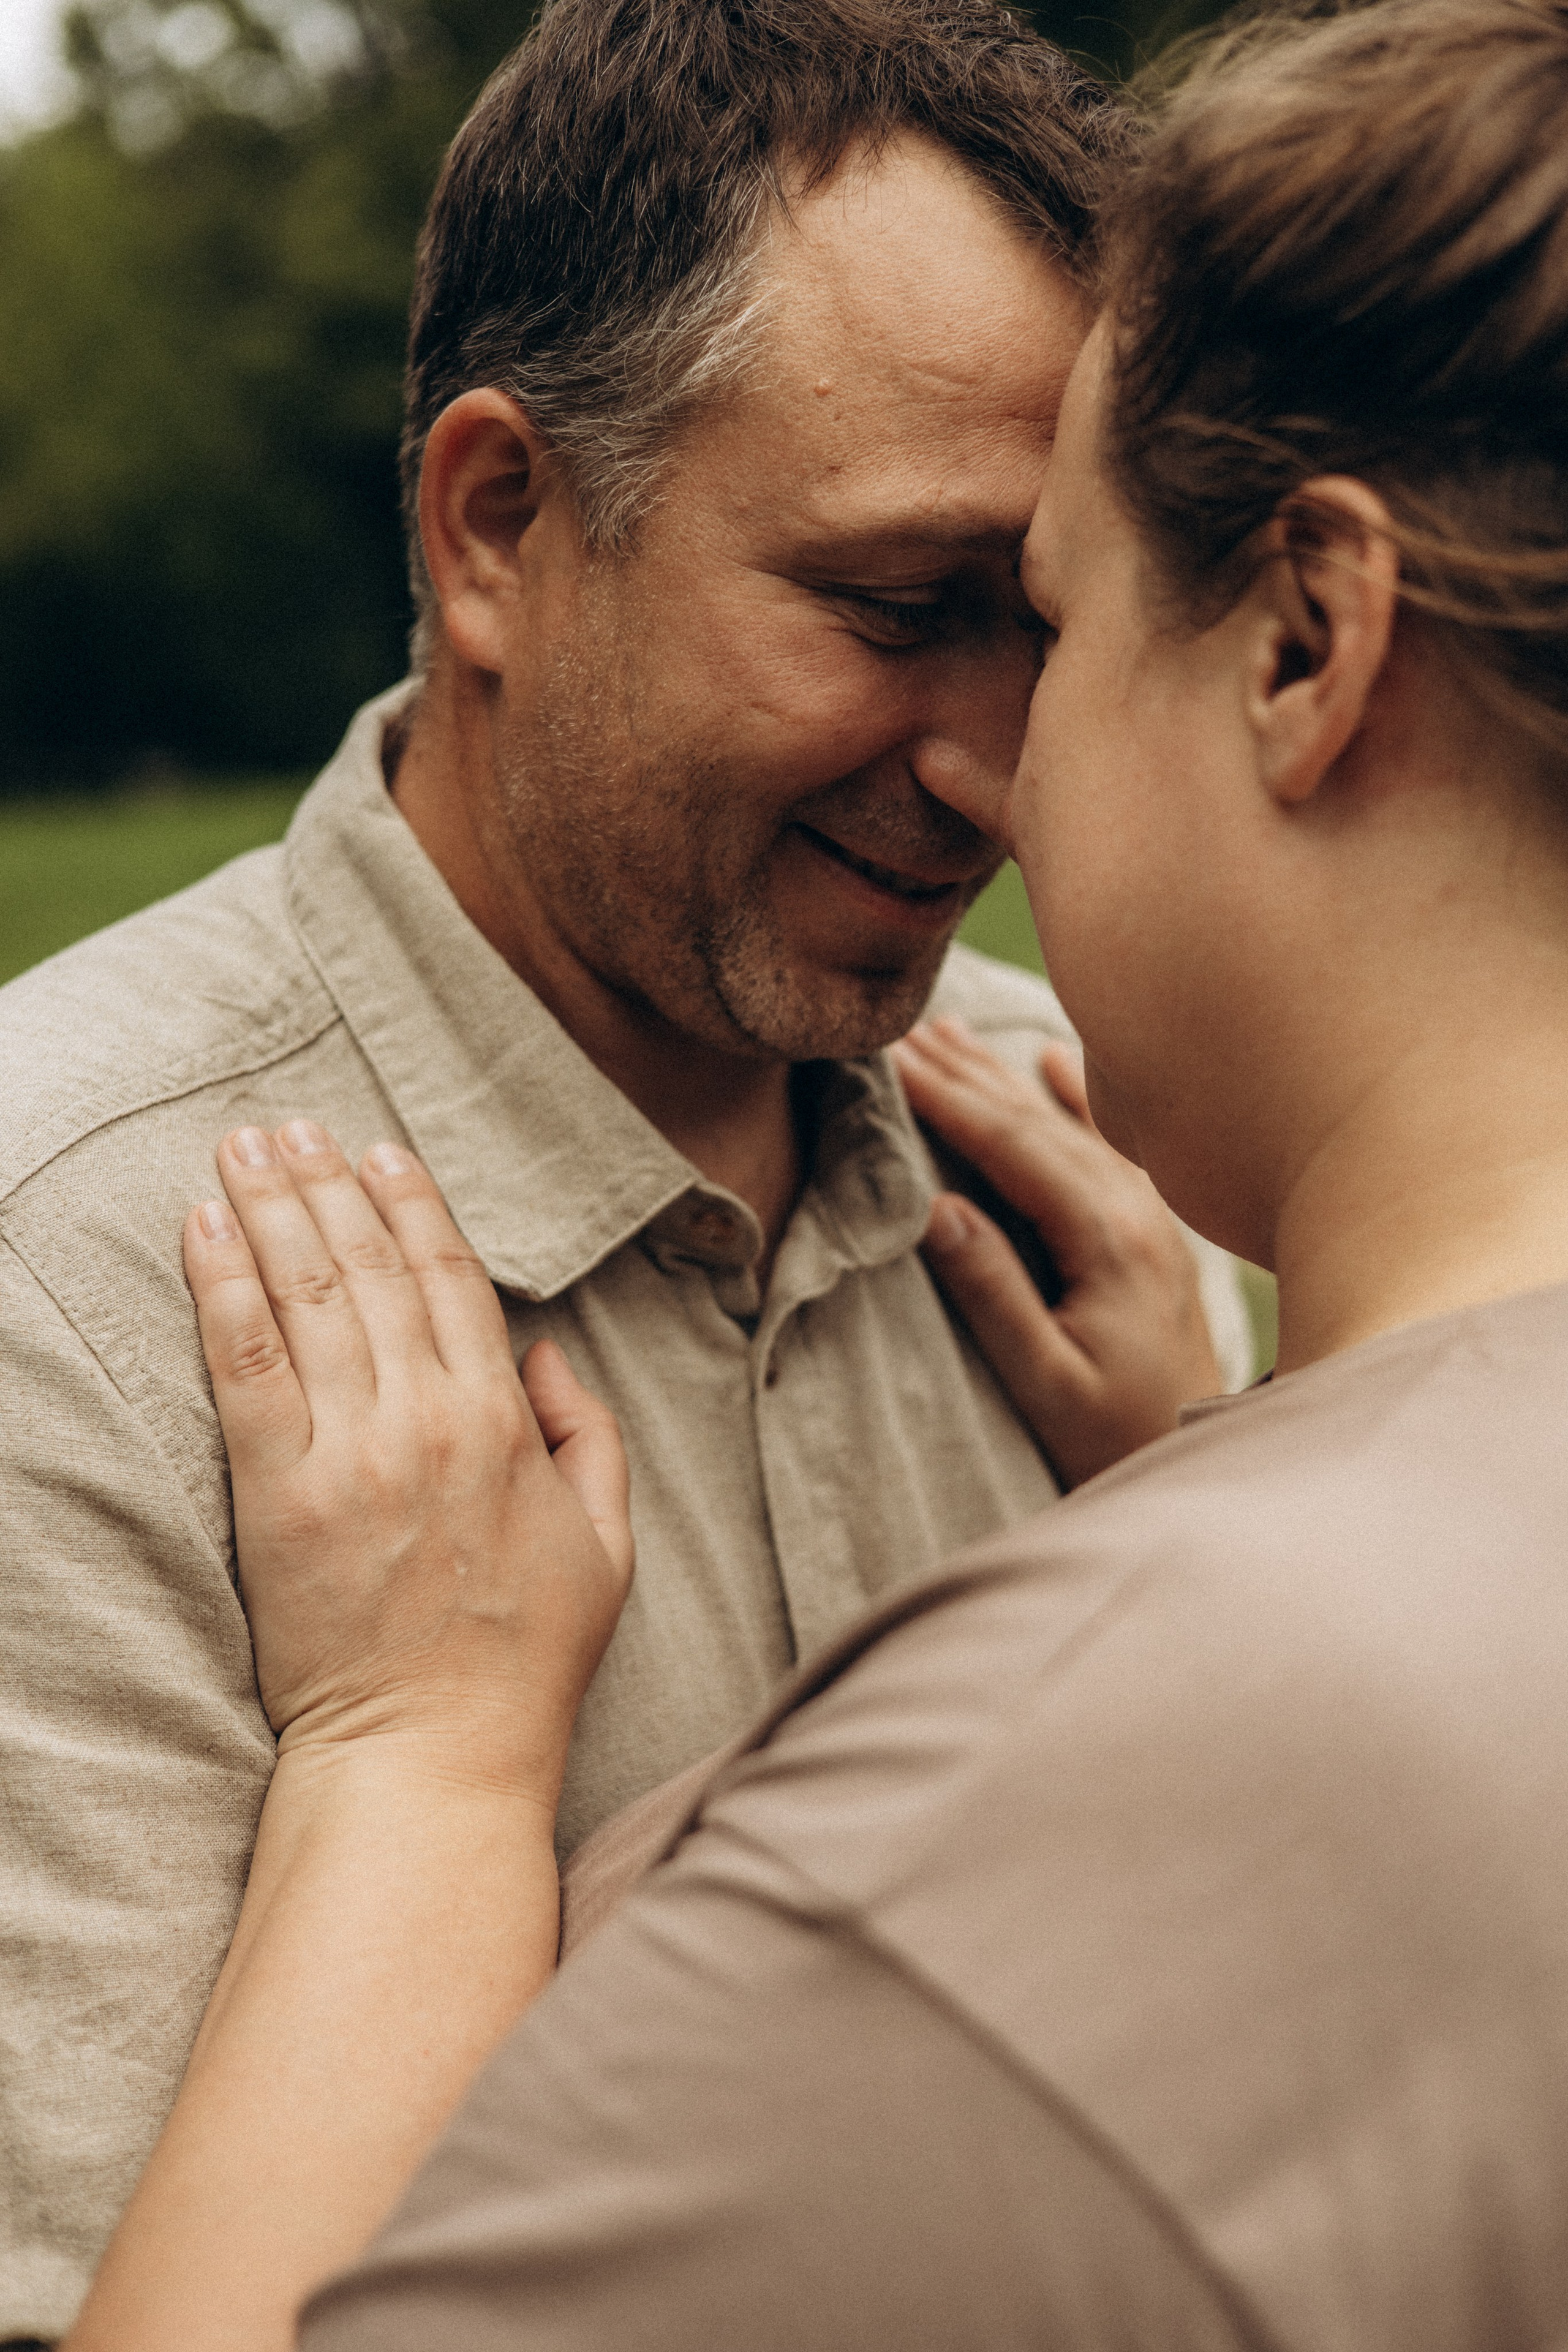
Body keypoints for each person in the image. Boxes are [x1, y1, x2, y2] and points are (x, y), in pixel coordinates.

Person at [60, 0, 1568, 2342]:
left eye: (1048, 624)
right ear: (496, 528)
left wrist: (1212, 1481)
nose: (1001, 773)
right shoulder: (74, 1270)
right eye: (896, 610)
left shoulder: (1114, 1161)